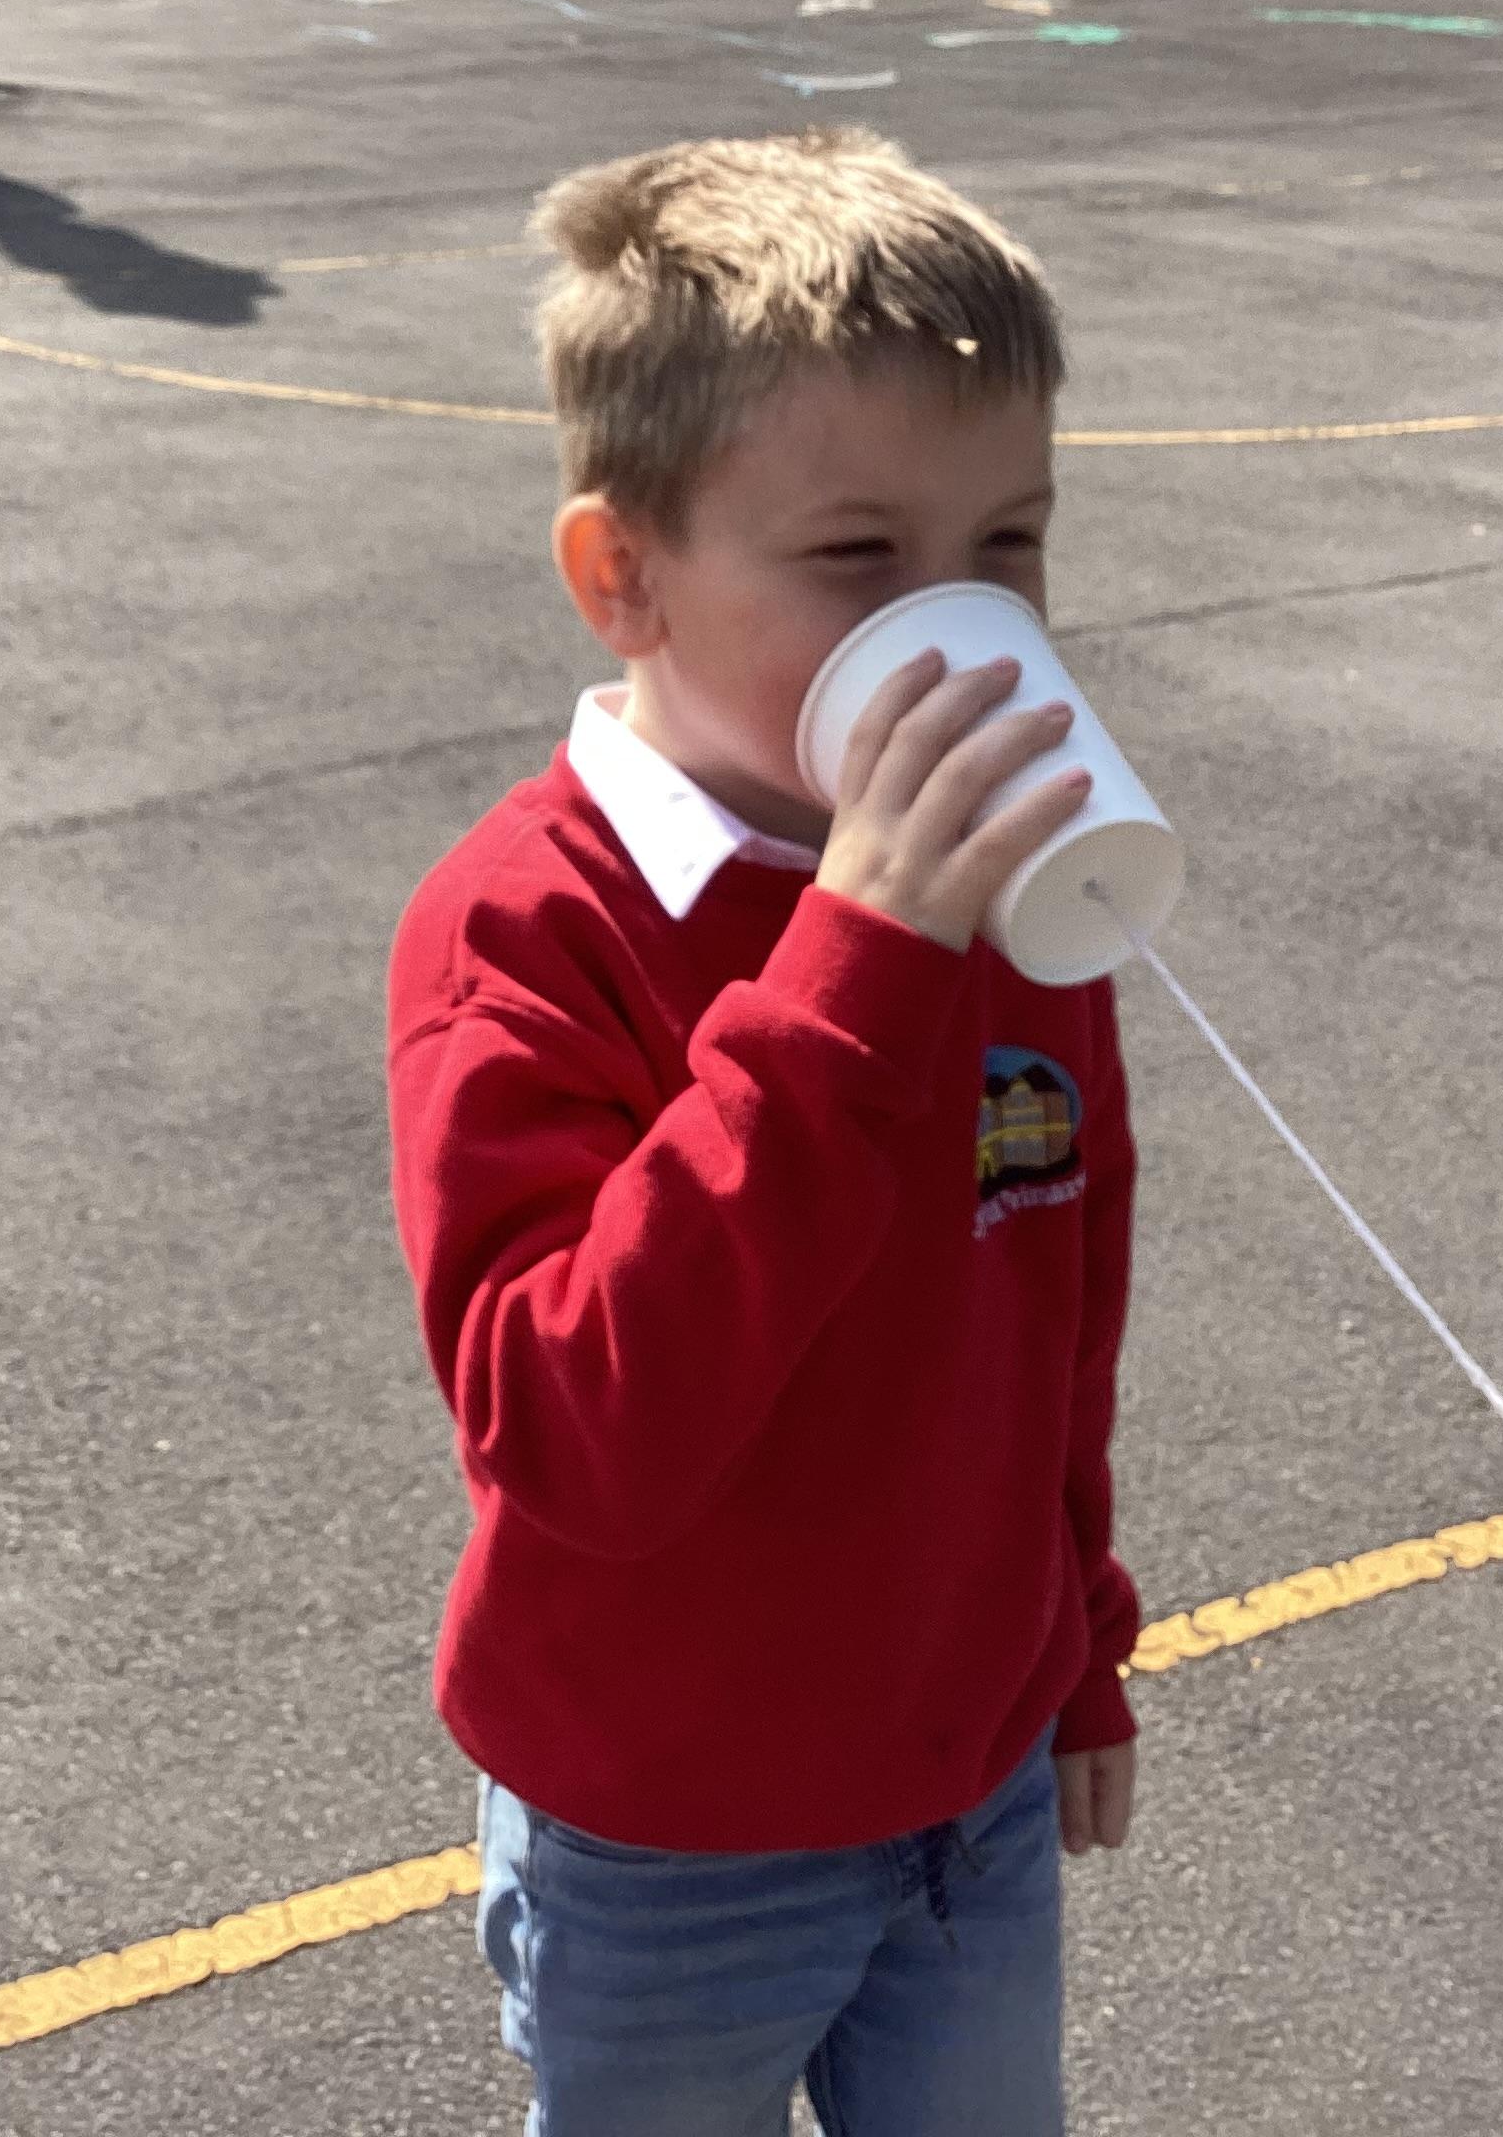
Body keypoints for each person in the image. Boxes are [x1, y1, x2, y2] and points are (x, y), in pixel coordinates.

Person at [384, 127, 1142, 2137]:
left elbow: (1055, 1302)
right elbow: (573, 1435)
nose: (960, 624)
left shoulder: (1009, 890)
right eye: (859, 558)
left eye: (1011, 544)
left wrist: (1076, 1640)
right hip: (668, 1842)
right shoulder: (529, 930)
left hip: (969, 1792)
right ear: (622, 577)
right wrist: (856, 967)